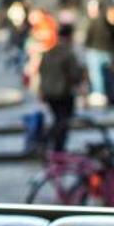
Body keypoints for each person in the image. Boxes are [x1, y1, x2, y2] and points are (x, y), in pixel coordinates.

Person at [38, 23, 88, 151]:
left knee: (59, 119)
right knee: (63, 121)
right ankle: (49, 141)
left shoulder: (48, 53)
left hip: (49, 93)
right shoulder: (68, 53)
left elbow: (41, 71)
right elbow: (75, 74)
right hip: (63, 93)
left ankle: (56, 147)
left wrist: (42, 90)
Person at [81, 0, 114, 106]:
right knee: (105, 75)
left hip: (96, 51)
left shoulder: (95, 22)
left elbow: (88, 37)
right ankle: (106, 95)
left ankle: (100, 95)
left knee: (97, 76)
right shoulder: (106, 21)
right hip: (106, 51)